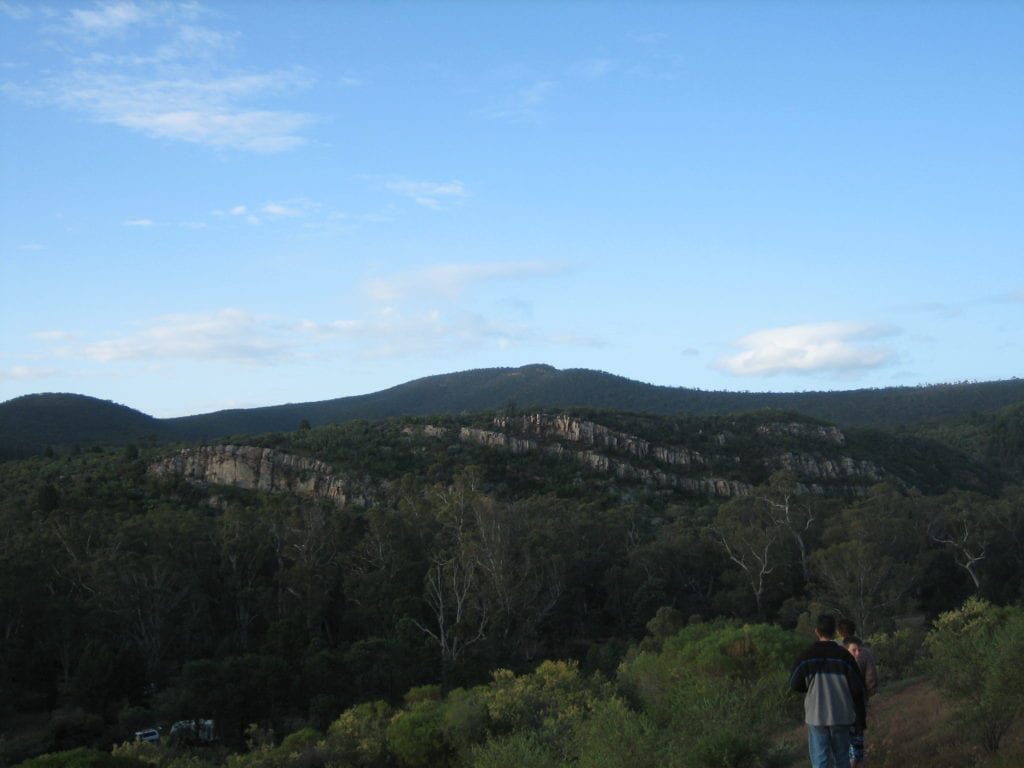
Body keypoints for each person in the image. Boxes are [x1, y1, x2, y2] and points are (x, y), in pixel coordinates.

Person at [790, 614, 866, 768]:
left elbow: (794, 684)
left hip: (816, 715)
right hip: (841, 715)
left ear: (817, 631)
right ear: (834, 632)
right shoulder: (845, 656)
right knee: (842, 758)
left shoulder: (806, 656)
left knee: (820, 760)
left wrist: (812, 687)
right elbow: (858, 687)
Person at [842, 636, 873, 768]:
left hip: (857, 716)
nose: (858, 653)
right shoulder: (841, 670)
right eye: (854, 650)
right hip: (846, 717)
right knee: (852, 752)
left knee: (857, 752)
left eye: (859, 650)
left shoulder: (855, 669)